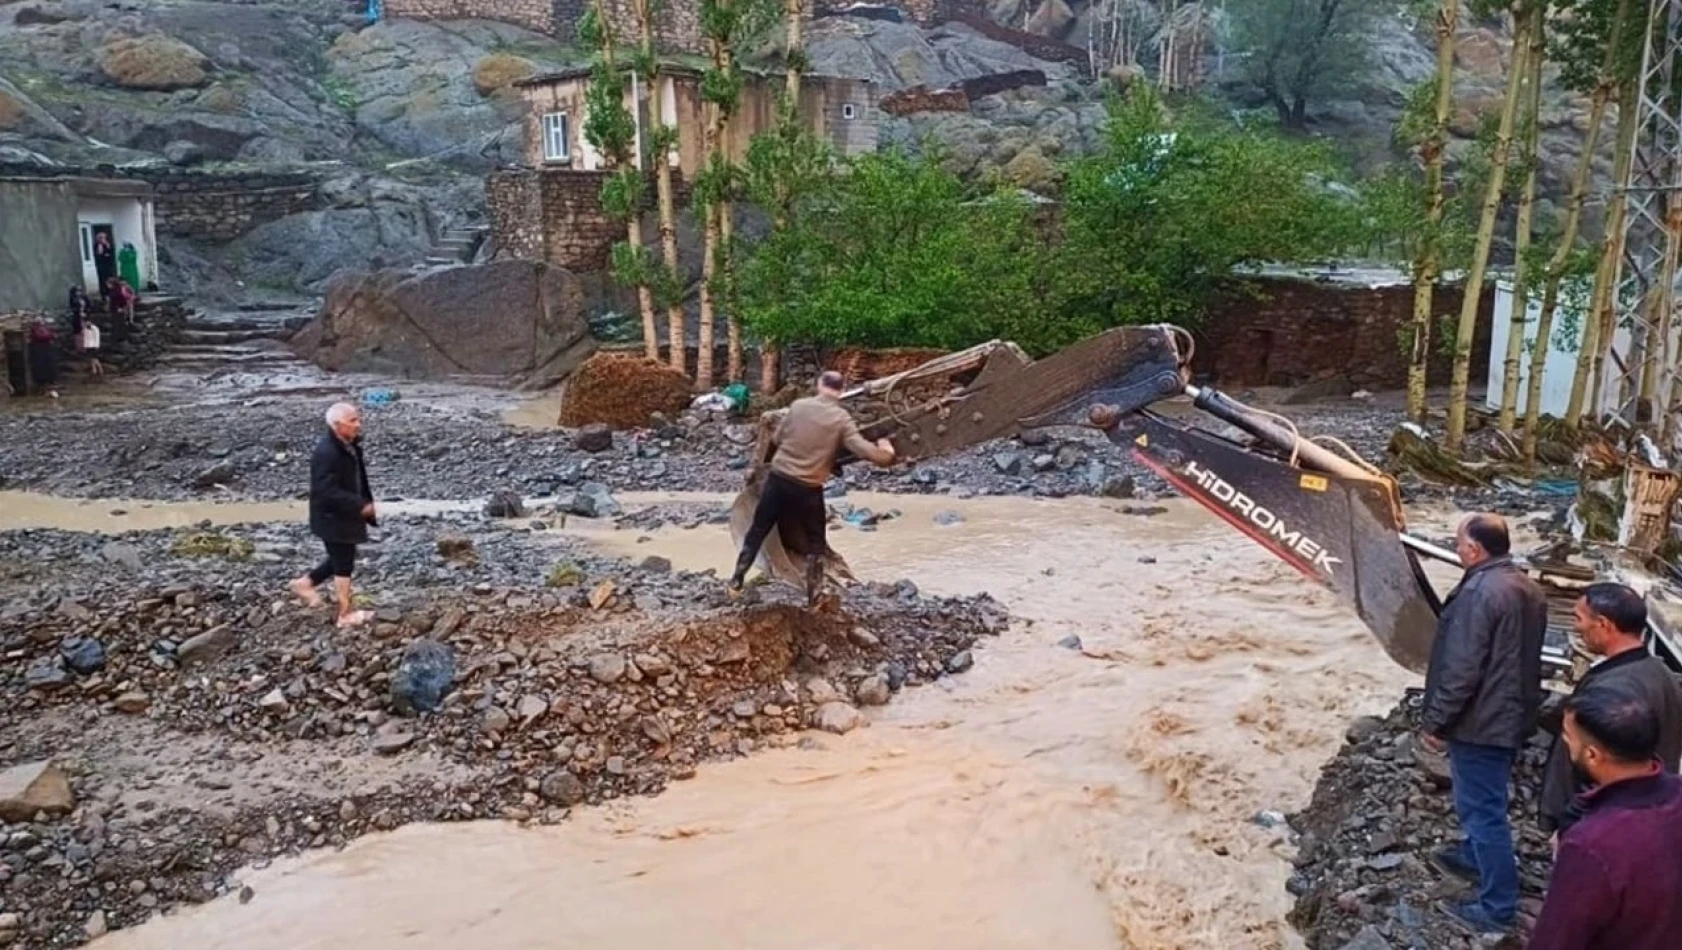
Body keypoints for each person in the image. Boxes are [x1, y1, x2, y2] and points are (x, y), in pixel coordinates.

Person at [1421, 513, 1548, 934]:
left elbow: (1462, 669)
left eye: (1459, 544)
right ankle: (1475, 858)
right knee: (1485, 801)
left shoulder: (1478, 592)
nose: (1456, 550)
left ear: (1474, 549)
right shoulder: (1527, 586)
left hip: (1482, 722)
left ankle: (1497, 906)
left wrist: (1437, 722)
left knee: (1483, 813)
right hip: (1511, 715)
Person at [1525, 683, 1682, 950]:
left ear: (1592, 755)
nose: (1566, 745)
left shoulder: (1592, 844)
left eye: (1567, 737)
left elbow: (1558, 938)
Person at [728, 370, 895, 605]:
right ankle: (813, 596)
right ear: (840, 389)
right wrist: (886, 451)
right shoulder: (841, 420)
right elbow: (867, 452)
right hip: (808, 488)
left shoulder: (798, 407)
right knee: (815, 543)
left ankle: (736, 580)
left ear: (819, 385)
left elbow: (776, 439)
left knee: (758, 529)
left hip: (779, 480)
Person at [1538, 583, 1682, 838]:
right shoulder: (1660, 673)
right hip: (1638, 813)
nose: (1576, 627)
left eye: (1579, 618)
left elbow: (1606, 765)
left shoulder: (1619, 690)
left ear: (1604, 624)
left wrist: (1574, 820)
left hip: (1602, 820)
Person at [290, 402, 377, 628]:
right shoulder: (327, 452)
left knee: (341, 556)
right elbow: (324, 490)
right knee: (344, 563)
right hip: (332, 515)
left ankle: (305, 583)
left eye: (358, 419)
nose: (359, 424)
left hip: (343, 513)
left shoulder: (348, 445)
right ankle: (345, 614)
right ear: (337, 425)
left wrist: (363, 502)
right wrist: (359, 505)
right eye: (353, 421)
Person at [92, 232, 116, 308]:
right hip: (101, 267)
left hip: (108, 267)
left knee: (110, 281)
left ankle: (111, 295)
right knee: (102, 281)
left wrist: (106, 254)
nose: (102, 239)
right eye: (100, 238)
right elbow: (99, 256)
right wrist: (104, 255)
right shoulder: (96, 246)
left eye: (103, 238)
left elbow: (111, 254)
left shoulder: (108, 245)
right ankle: (104, 296)